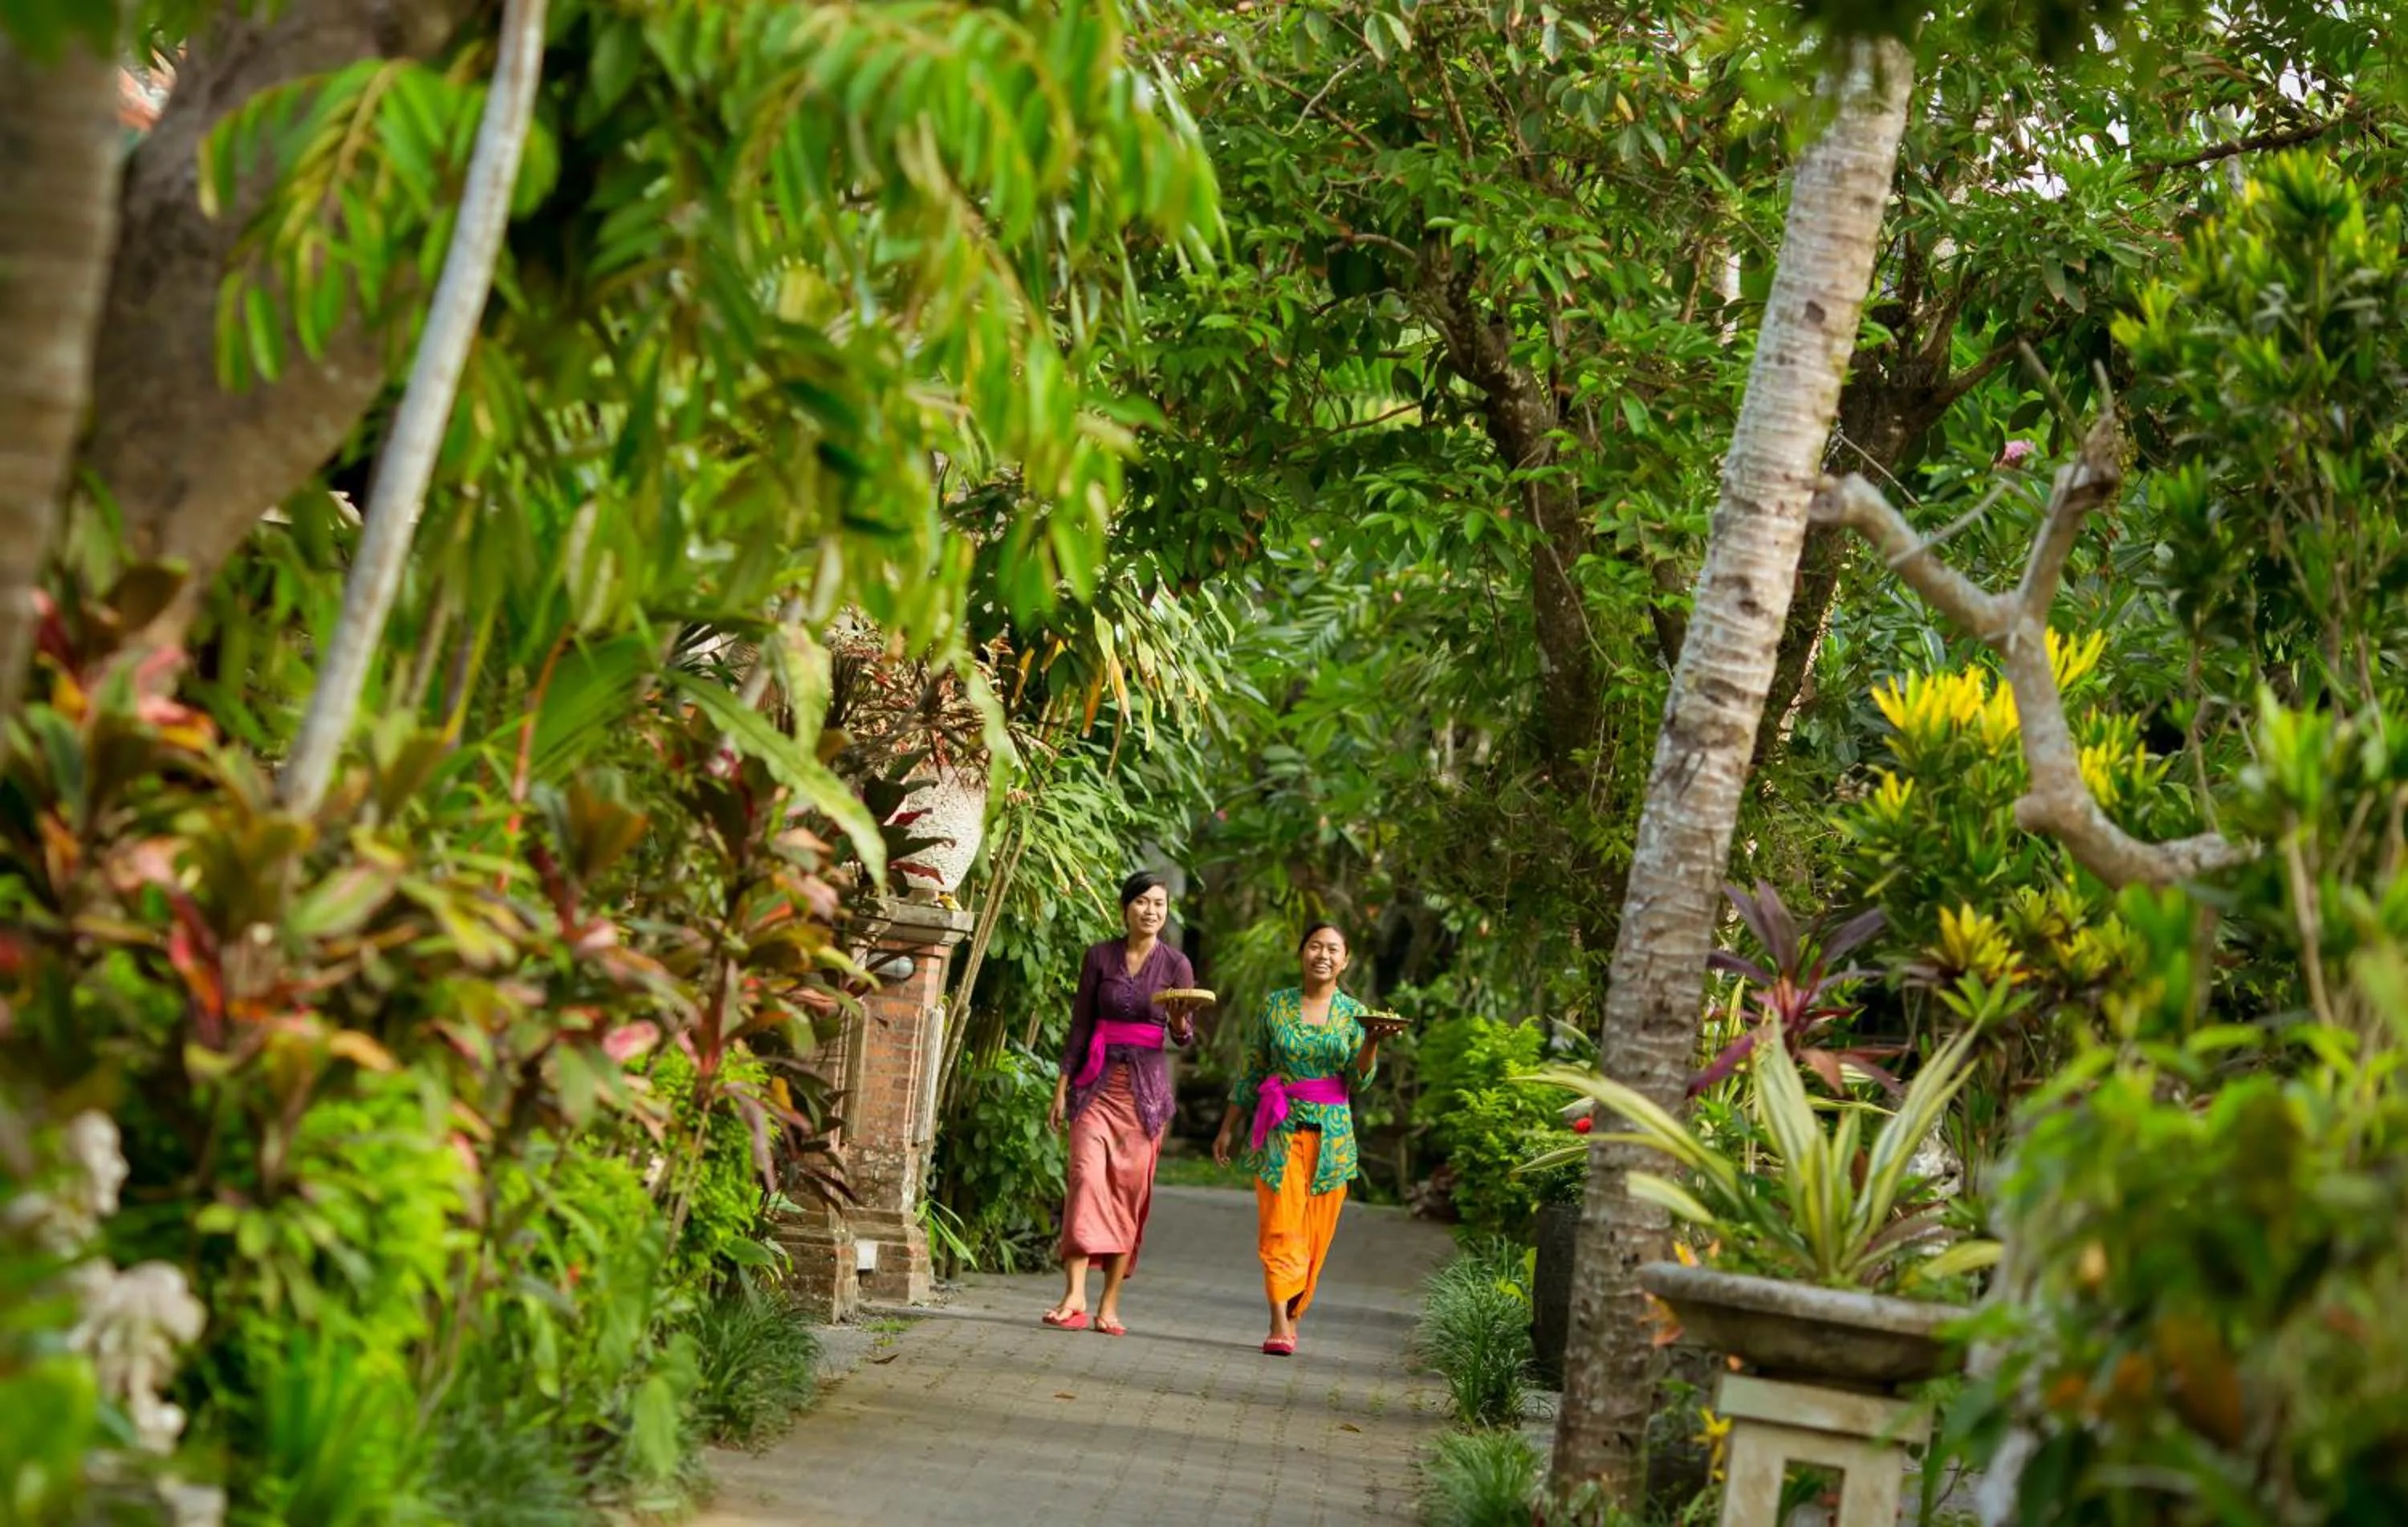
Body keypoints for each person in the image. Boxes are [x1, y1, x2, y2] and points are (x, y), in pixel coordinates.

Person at [1213, 922, 1388, 1355]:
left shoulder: (1355, 1014)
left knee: (1314, 1237)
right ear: (1301, 954)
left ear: (1345, 960)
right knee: (1279, 1228)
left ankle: (1293, 1316)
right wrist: (1228, 1126)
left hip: (1333, 1139)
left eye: (1332, 949)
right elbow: (1252, 1069)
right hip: (1280, 1130)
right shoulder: (1275, 1006)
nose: (1322, 955)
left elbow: (1359, 1079)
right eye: (1314, 946)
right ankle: (1277, 1322)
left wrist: (1371, 1044)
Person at [1042, 870, 1198, 1337]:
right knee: (1085, 1178)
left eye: (1160, 905)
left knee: (1128, 1194)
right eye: (1143, 902)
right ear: (1125, 906)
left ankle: (1109, 1304)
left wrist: (1179, 1021)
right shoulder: (1099, 957)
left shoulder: (1177, 964)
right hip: (1094, 1084)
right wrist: (1061, 1086)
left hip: (1146, 1095)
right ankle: (1074, 1296)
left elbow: (1184, 1035)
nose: (1151, 911)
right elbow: (1080, 1027)